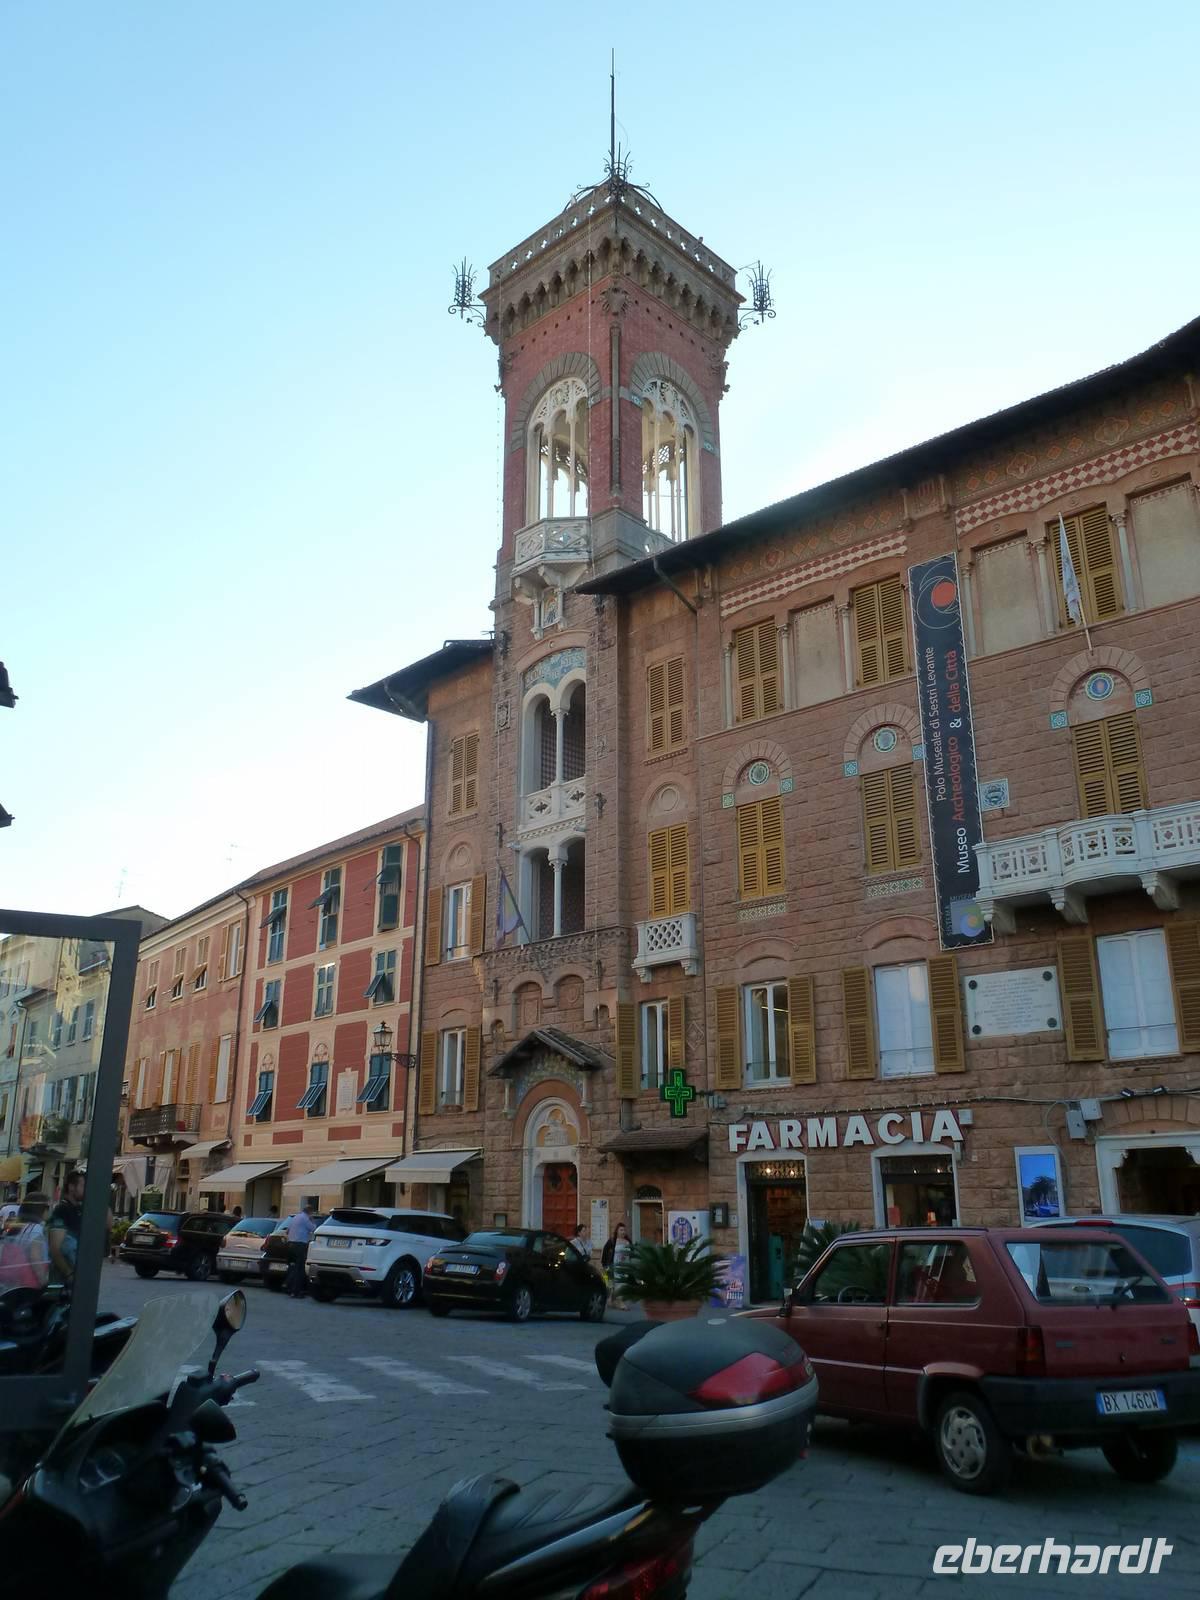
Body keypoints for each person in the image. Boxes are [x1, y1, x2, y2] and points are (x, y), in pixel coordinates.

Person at [0, 1192, 51, 1290]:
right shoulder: (36, 1229)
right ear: (42, 1210)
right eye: (48, 1207)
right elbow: (35, 1258)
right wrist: (44, 1282)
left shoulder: (17, 1226)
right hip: (29, 1284)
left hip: (12, 1282)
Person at [47, 1169, 85, 1291]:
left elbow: (108, 1224)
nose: (86, 1189)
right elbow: (55, 1248)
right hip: (63, 1278)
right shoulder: (62, 1210)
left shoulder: (80, 1209)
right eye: (83, 1185)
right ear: (71, 1187)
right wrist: (69, 1274)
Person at [284, 1204, 317, 1297]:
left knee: (292, 1267)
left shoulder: (295, 1217)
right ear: (310, 1212)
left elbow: (287, 1231)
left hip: (290, 1244)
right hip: (299, 1245)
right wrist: (312, 1220)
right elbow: (314, 1229)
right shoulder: (306, 1218)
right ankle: (296, 1291)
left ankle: (288, 1287)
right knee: (299, 1269)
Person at [602, 1221, 632, 1308]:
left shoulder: (628, 1242)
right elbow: (605, 1252)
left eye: (624, 1230)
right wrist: (604, 1265)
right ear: (617, 1231)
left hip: (624, 1267)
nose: (623, 1232)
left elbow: (631, 1254)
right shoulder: (612, 1241)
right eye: (621, 1230)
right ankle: (619, 1302)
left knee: (622, 1284)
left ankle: (613, 1301)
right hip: (614, 1266)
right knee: (614, 1284)